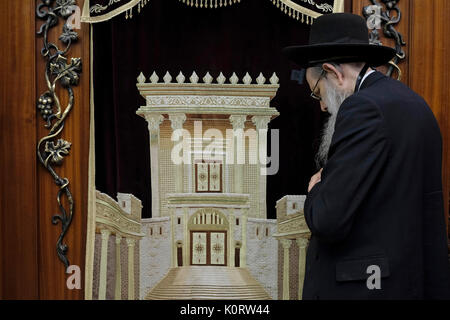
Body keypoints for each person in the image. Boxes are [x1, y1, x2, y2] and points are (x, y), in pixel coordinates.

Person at [283, 13, 450, 299]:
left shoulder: (362, 109)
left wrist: (318, 188)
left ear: (332, 73)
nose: (322, 106)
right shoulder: (413, 102)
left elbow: (328, 220)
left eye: (317, 92)